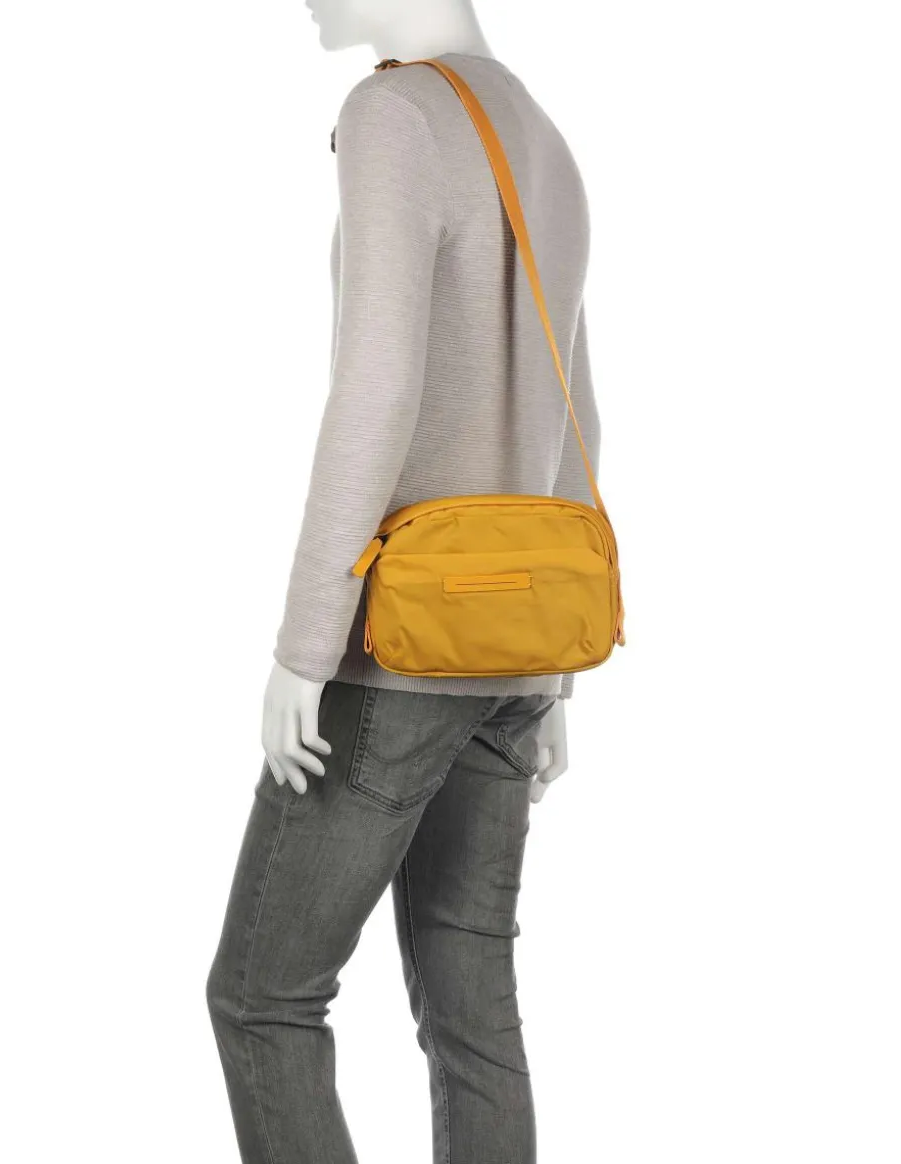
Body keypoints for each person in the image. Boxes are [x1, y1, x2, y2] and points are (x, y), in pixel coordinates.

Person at [206, 5, 605, 1161]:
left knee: (264, 999)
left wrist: (304, 646)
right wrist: (553, 673)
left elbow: (376, 388)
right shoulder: (536, 127)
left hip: (403, 648)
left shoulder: (395, 112)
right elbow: (578, 409)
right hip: (515, 651)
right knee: (471, 1009)